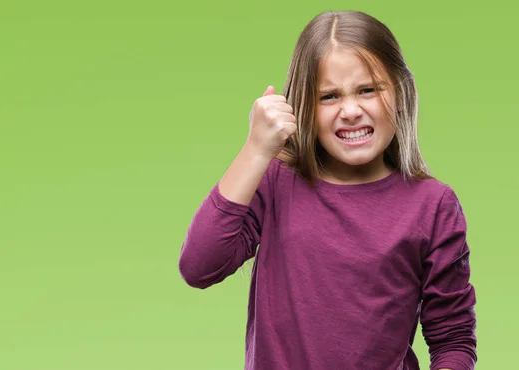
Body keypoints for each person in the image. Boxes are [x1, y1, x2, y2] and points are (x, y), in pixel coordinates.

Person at [178, 10, 477, 370]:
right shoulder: (274, 181)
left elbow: (453, 338)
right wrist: (256, 149)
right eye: (329, 97)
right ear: (303, 106)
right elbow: (199, 266)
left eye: (368, 90)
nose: (350, 110)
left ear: (399, 92)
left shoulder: (432, 205)